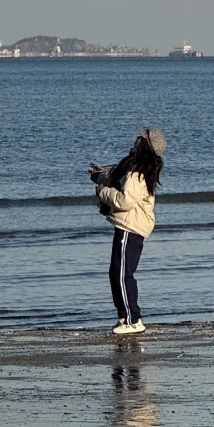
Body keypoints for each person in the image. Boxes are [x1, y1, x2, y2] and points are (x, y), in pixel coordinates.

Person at [89, 126, 167, 336]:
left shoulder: (138, 172)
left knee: (122, 274)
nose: (135, 140)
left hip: (130, 227)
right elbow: (118, 179)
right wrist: (100, 177)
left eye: (139, 138)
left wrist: (102, 191)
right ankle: (125, 316)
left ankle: (132, 319)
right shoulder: (138, 168)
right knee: (117, 273)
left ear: (144, 144)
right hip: (128, 226)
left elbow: (125, 201)